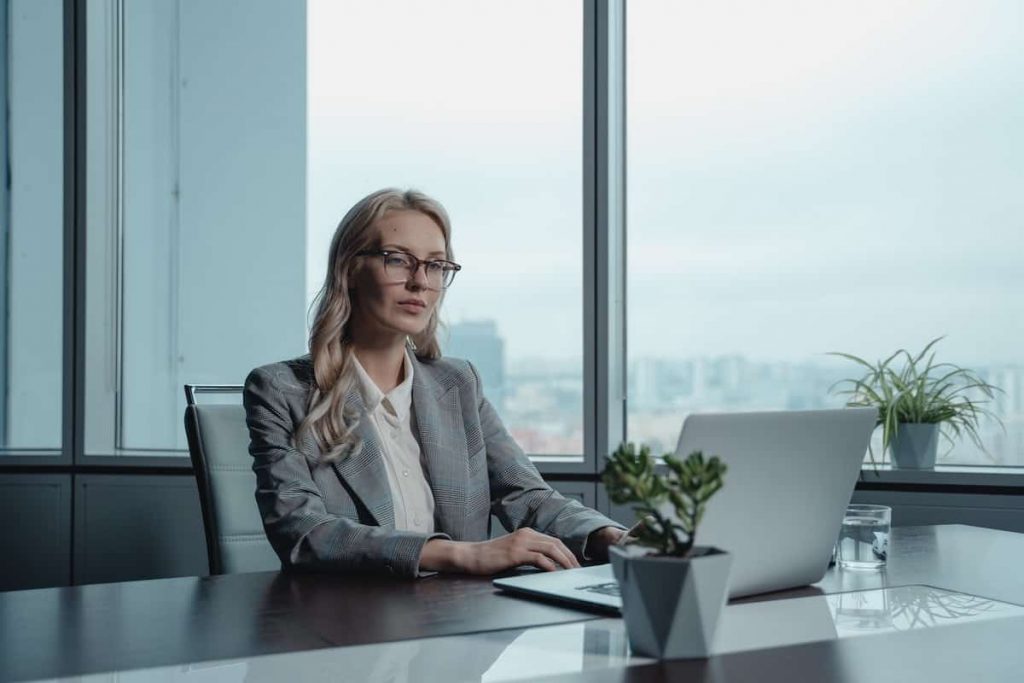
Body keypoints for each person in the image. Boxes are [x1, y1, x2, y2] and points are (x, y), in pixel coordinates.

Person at [243, 188, 626, 578]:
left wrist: (612, 538)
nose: (420, 281)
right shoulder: (281, 390)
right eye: (398, 260)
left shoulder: (458, 383)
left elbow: (526, 496)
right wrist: (462, 554)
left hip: (460, 618)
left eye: (436, 265)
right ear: (351, 269)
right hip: (347, 621)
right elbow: (305, 532)